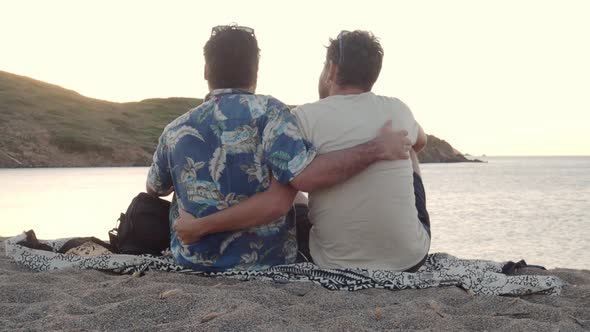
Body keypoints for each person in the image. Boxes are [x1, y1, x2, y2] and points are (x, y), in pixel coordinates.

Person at [146, 25, 412, 272]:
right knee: (290, 187)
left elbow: (155, 188)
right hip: (269, 261)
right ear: (256, 71)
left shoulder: (175, 130)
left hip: (194, 262)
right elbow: (284, 195)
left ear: (206, 70)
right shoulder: (272, 114)